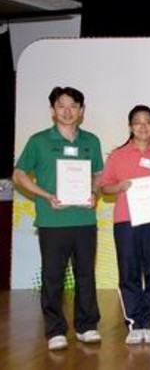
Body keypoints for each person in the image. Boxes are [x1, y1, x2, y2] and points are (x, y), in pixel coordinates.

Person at [13, 86, 104, 350]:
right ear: (53, 110)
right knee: (53, 276)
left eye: (73, 106)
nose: (67, 111)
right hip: (52, 221)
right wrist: (46, 195)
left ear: (82, 110)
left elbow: (98, 173)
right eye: (61, 106)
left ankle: (87, 326)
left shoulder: (91, 141)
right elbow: (19, 175)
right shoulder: (39, 141)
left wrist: (94, 192)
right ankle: (55, 330)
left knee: (86, 274)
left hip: (85, 219)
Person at [98, 105, 150, 345]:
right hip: (125, 221)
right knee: (128, 271)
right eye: (137, 122)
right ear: (130, 127)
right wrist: (119, 187)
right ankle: (133, 322)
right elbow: (104, 186)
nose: (143, 126)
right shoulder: (117, 156)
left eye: (148, 121)